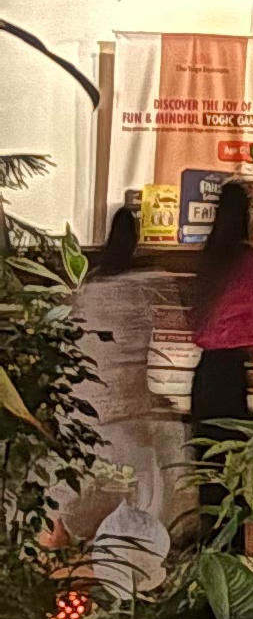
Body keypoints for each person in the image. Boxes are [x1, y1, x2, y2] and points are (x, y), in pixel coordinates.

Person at [52, 206, 180, 588]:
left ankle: (63, 551)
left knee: (77, 486)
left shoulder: (88, 290)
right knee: (151, 472)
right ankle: (135, 563)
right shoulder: (144, 288)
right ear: (136, 242)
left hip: (83, 406)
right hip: (125, 410)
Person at [187, 180, 253, 541]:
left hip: (204, 372)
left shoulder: (208, 261)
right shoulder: (251, 265)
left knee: (207, 464)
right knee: (234, 463)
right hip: (230, 375)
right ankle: (230, 545)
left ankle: (209, 544)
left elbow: (196, 321)